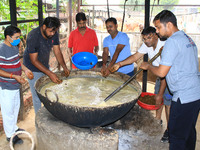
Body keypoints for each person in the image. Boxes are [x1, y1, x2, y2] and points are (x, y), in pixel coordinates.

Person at [140, 10, 200, 150]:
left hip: (183, 97)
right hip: (196, 94)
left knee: (176, 136)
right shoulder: (188, 39)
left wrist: (148, 65)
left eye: (159, 27)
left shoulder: (172, 42)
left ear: (169, 24)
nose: (157, 31)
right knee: (189, 132)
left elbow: (161, 73)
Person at [110, 26, 172, 143]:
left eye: (148, 38)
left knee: (167, 103)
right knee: (157, 99)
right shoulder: (147, 45)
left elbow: (165, 75)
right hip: (159, 74)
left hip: (169, 75)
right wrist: (119, 64)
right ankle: (158, 121)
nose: (146, 41)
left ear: (155, 35)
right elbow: (135, 57)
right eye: (144, 39)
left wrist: (160, 93)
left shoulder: (164, 46)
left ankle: (169, 130)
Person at [23, 17, 70, 114]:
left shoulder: (53, 33)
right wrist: (50, 73)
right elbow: (34, 60)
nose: (52, 34)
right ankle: (39, 119)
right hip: (32, 68)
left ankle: (49, 115)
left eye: (54, 31)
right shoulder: (33, 36)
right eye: (50, 31)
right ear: (44, 27)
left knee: (47, 92)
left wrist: (65, 67)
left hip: (44, 64)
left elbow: (57, 51)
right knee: (37, 96)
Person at [0, 25, 34, 144]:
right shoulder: (1, 48)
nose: (18, 40)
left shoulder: (14, 46)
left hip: (15, 85)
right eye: (16, 37)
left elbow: (17, 62)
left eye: (19, 37)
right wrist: (13, 76)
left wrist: (25, 70)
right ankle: (10, 136)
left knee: (15, 109)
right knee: (8, 111)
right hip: (6, 86)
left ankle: (13, 128)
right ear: (8, 37)